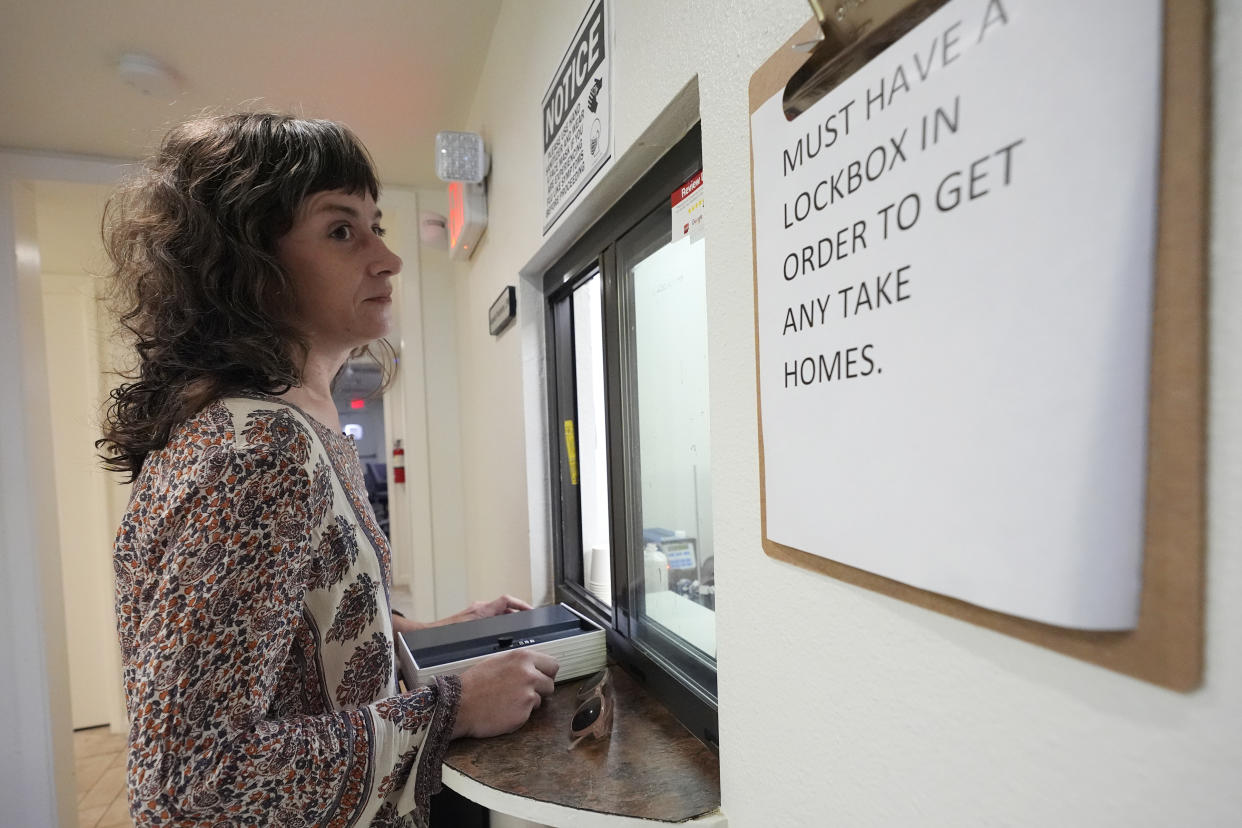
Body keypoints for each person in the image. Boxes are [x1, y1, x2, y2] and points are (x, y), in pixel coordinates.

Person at [98, 112, 559, 828]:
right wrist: (452, 709)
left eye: (377, 225)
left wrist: (420, 634)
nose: (388, 258)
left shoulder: (302, 429)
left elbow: (293, 631)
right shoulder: (255, 455)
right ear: (248, 263)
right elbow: (192, 786)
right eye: (342, 230)